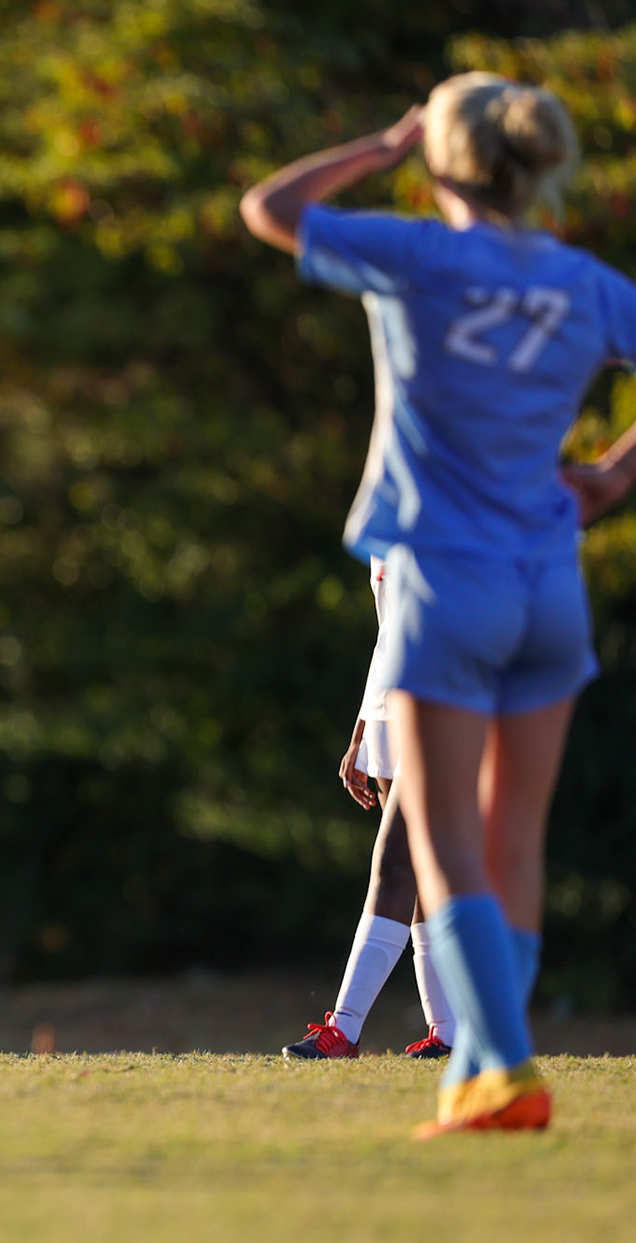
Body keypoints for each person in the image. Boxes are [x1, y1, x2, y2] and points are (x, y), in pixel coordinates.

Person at [241, 70, 636, 1135]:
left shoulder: (418, 255)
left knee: (443, 841)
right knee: (518, 842)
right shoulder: (584, 280)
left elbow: (268, 210)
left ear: (444, 158)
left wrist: (382, 140)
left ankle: (500, 1070)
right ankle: (493, 1062)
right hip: (549, 580)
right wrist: (610, 475)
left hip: (443, 578)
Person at [283, 556, 456, 1061]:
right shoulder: (388, 509)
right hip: (387, 712)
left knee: (394, 863)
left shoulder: (453, 499)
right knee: (419, 873)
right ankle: (448, 1033)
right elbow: (389, 634)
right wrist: (364, 729)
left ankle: (344, 1030)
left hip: (441, 703)